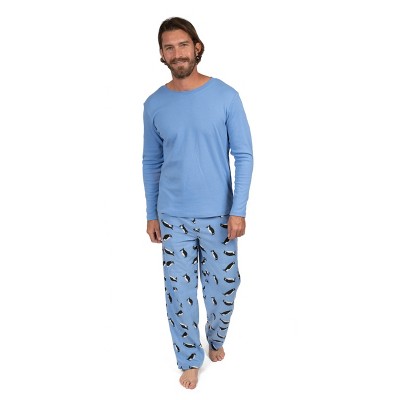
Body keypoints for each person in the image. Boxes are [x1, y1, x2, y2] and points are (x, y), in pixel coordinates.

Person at [142, 16, 253, 390]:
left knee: (225, 288)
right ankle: (189, 358)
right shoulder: (154, 104)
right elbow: (151, 162)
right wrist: (151, 213)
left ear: (197, 47)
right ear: (162, 55)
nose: (177, 53)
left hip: (219, 215)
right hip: (172, 216)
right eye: (169, 48)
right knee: (179, 293)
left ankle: (215, 336)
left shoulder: (226, 96)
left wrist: (239, 209)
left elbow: (244, 155)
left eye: (183, 45)